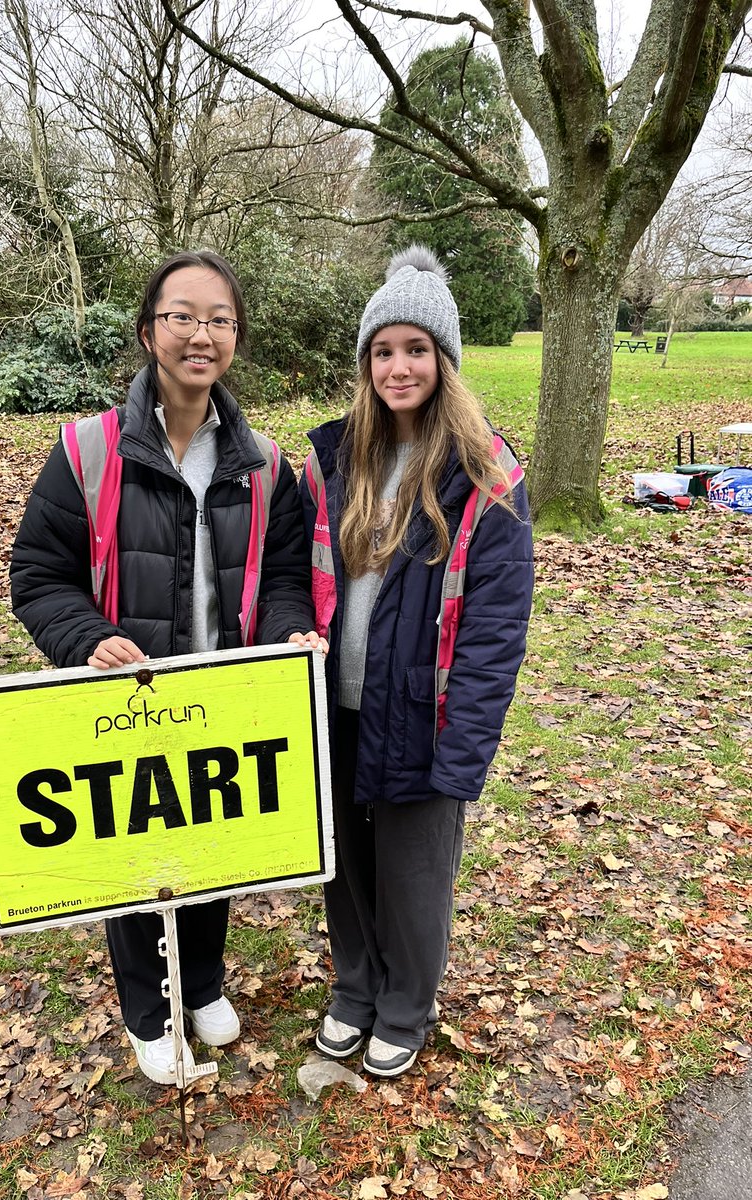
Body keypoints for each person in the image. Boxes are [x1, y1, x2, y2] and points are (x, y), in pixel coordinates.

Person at [11, 249, 324, 1085]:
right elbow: (39, 578)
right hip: (127, 703)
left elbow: (287, 577)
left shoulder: (263, 464)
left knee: (216, 845)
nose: (201, 334)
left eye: (220, 320)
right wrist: (86, 639)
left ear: (236, 340)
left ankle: (204, 983)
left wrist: (291, 634)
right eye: (182, 315)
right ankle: (150, 1016)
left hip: (222, 696)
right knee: (138, 859)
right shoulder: (87, 450)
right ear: (150, 330)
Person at [300, 246, 534, 1078]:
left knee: (414, 874)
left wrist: (464, 751)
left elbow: (495, 632)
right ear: (366, 362)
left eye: (416, 349)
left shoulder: (486, 477)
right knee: (346, 867)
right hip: (337, 706)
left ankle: (406, 1004)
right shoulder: (333, 459)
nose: (398, 367)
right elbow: (298, 576)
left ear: (445, 360)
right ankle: (357, 987)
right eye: (383, 351)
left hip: (424, 719)